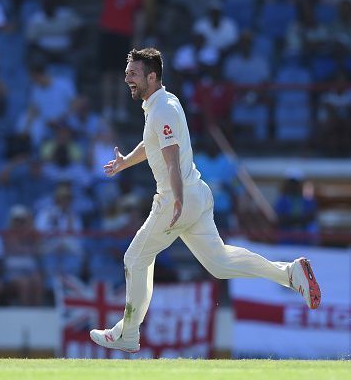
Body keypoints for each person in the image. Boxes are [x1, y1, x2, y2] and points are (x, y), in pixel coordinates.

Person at [89, 48, 322, 353]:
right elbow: (153, 142)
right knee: (220, 263)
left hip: (178, 196)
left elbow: (171, 160)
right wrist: (125, 163)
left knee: (135, 258)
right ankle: (289, 273)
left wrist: (177, 200)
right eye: (126, 72)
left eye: (133, 73)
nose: (127, 78)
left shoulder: (163, 109)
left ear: (151, 76)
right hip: (196, 195)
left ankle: (128, 333)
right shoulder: (161, 105)